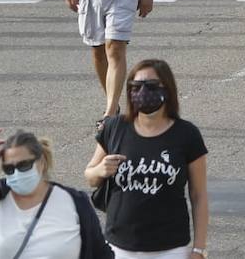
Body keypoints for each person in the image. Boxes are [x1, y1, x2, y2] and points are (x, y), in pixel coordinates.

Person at [86, 60, 210, 259]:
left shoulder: (187, 134)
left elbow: (199, 195)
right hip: (119, 247)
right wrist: (100, 169)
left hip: (170, 249)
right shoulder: (115, 127)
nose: (142, 92)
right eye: (136, 87)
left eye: (151, 86)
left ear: (167, 89)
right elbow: (90, 176)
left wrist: (199, 249)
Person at [0, 128, 112, 259]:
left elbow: (101, 254)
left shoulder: (74, 202)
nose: (16, 173)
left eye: (23, 166)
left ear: (41, 162)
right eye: (9, 168)